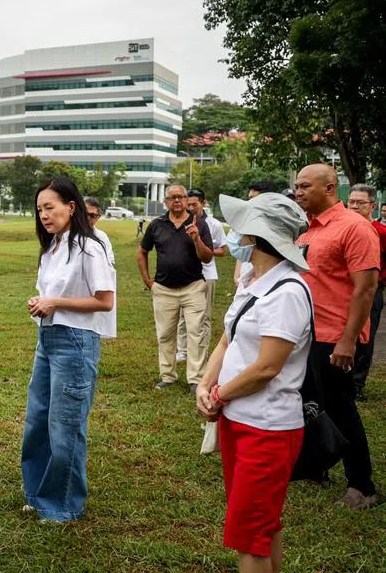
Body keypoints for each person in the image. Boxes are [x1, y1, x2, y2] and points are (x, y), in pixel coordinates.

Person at [196, 193, 313, 573]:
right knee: (261, 525)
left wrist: (219, 394)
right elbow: (228, 338)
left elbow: (267, 367)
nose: (234, 236)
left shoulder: (288, 292)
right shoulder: (252, 280)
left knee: (250, 534)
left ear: (256, 237)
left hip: (267, 429)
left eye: (241, 228)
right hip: (238, 420)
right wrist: (206, 382)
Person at [22, 176, 116, 522]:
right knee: (37, 420)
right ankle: (36, 492)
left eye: (50, 207)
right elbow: (50, 294)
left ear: (71, 207)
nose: (44, 215)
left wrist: (54, 302)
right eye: (39, 209)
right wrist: (42, 301)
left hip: (75, 341)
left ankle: (62, 504)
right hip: (48, 338)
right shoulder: (53, 246)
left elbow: (104, 301)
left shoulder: (89, 246)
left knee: (65, 424)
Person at [293, 164, 380, 509]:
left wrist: (348, 340)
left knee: (341, 409)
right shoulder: (309, 231)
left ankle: (363, 486)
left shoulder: (355, 228)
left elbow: (366, 289)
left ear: (330, 188)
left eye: (304, 186)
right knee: (312, 405)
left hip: (336, 337)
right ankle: (317, 467)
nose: (298, 192)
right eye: (296, 187)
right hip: (307, 335)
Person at [137, 184, 214, 392]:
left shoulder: (198, 224)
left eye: (181, 197)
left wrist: (196, 238)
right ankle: (168, 375)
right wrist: (148, 281)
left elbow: (207, 257)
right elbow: (142, 252)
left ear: (187, 200)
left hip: (193, 287)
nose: (177, 201)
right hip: (163, 289)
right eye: (173, 197)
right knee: (165, 334)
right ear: (166, 202)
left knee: (196, 333)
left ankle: (196, 379)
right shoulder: (156, 225)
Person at [178, 189, 227, 367]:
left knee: (204, 316)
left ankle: (202, 349)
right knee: (183, 315)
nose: (191, 207)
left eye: (194, 204)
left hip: (207, 274)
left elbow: (223, 250)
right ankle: (182, 350)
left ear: (203, 203)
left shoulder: (214, 224)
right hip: (187, 275)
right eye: (188, 204)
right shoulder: (180, 222)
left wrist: (203, 249)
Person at [348, 184, 385, 401]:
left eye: (360, 202)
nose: (354, 206)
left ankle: (357, 383)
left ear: (372, 205)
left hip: (371, 291)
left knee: (365, 338)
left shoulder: (381, 232)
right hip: (346, 290)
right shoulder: (344, 228)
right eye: (351, 202)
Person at [83, 197, 116, 266]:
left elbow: (110, 261)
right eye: (85, 214)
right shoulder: (68, 235)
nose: (87, 218)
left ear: (98, 217)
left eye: (92, 215)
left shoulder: (102, 237)